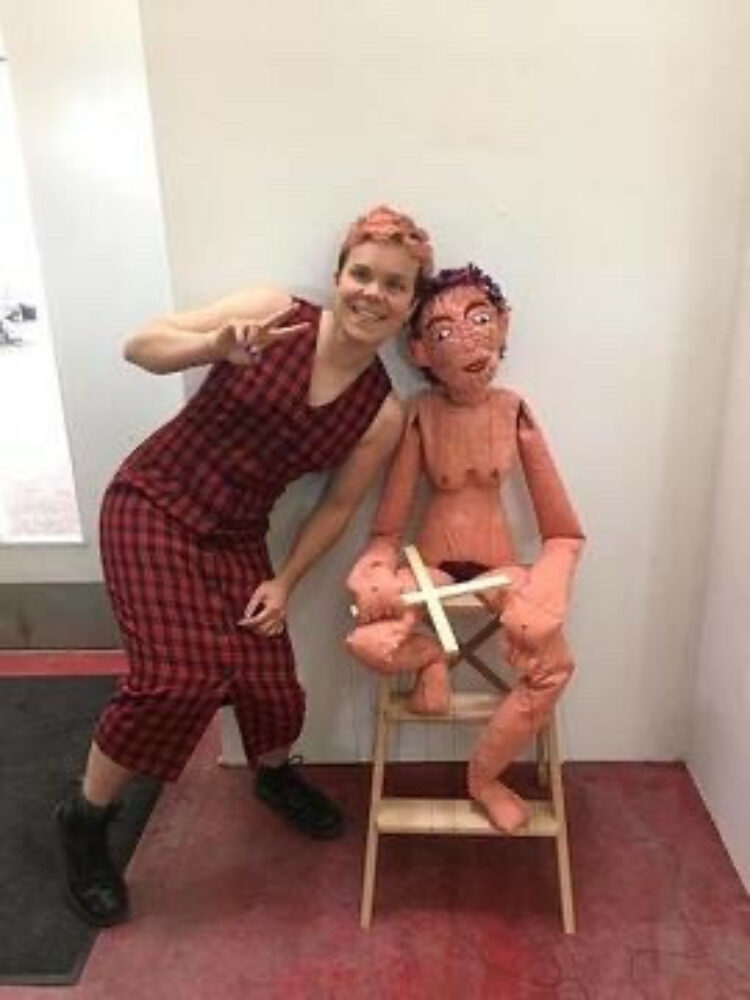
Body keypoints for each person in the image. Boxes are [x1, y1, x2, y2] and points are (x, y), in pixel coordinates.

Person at [55, 205, 434, 927]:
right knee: (175, 682)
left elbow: (334, 509)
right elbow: (140, 345)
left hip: (235, 537)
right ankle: (83, 818)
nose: (371, 293)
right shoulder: (273, 312)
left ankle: (272, 777)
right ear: (338, 276)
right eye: (361, 274)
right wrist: (212, 347)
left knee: (269, 682)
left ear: (409, 303)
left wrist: (285, 581)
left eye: (393, 284)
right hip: (153, 502)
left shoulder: (382, 411)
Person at [346, 264, 584, 834]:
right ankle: (431, 656)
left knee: (552, 665)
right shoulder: (421, 414)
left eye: (481, 321)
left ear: (503, 326)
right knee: (368, 637)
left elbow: (564, 532)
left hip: (501, 567)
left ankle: (483, 777)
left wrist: (548, 585)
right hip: (430, 566)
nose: (471, 341)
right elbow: (387, 528)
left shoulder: (513, 410)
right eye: (447, 331)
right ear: (422, 351)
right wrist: (373, 568)